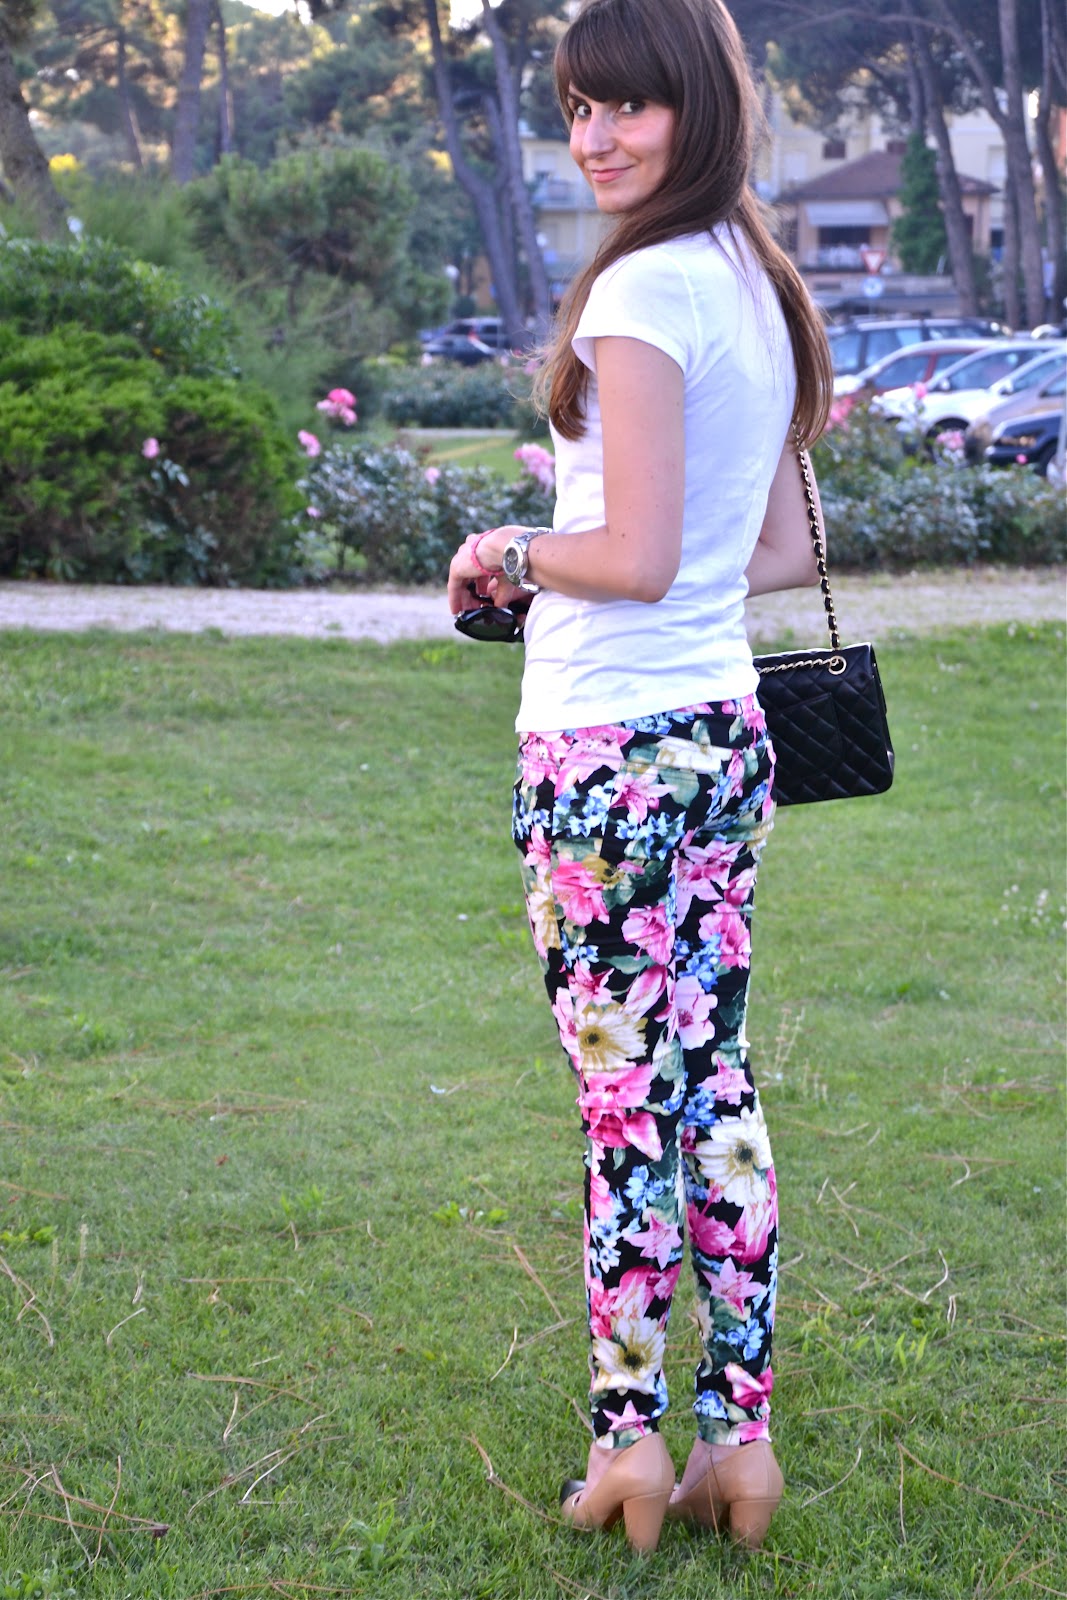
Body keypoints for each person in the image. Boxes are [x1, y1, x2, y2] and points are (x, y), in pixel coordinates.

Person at [447, 0, 832, 1556]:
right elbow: (781, 546)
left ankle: (628, 1450)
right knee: (713, 1086)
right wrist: (609, 553)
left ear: (697, 106)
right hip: (719, 736)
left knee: (626, 1108)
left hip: (608, 752)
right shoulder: (756, 276)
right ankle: (740, 1444)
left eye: (627, 107)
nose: (595, 139)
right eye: (575, 108)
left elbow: (639, 553)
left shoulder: (644, 284)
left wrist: (507, 549)